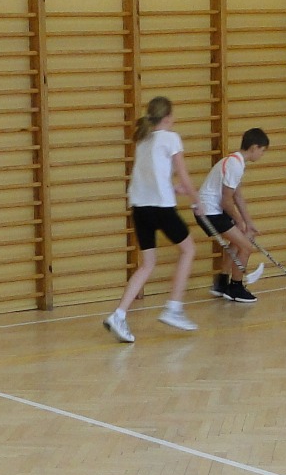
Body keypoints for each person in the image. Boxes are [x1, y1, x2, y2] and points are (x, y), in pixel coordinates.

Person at [104, 96, 197, 343]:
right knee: (188, 250)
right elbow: (184, 175)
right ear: (167, 117)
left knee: (147, 264)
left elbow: (152, 176)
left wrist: (173, 188)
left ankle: (119, 315)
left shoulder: (143, 139)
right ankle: (174, 308)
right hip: (161, 208)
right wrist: (197, 200)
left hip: (140, 208)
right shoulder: (171, 137)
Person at [195, 127, 270, 302]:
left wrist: (247, 222)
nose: (262, 154)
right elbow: (226, 201)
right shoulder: (234, 165)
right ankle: (236, 288)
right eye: (262, 150)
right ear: (254, 147)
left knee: (238, 242)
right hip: (209, 213)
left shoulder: (236, 162)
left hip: (212, 210)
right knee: (246, 247)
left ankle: (221, 283)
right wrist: (238, 221)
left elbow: (237, 196)